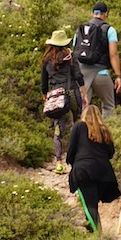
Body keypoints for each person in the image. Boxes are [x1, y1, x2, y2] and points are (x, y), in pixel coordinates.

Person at [66, 104, 121, 232]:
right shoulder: (104, 130)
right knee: (93, 205)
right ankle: (94, 231)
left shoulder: (79, 126)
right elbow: (111, 152)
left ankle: (96, 235)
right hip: (103, 172)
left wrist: (71, 162)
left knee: (89, 205)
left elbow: (71, 150)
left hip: (84, 171)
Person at [41, 30, 85, 173]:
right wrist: (84, 94)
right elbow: (78, 76)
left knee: (58, 128)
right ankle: (78, 158)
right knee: (78, 124)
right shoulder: (71, 57)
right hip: (72, 92)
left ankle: (59, 162)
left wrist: (45, 97)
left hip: (56, 96)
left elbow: (43, 83)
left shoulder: (46, 60)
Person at [73, 3, 121, 119]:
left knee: (84, 107)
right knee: (108, 106)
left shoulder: (80, 29)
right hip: (101, 73)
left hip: (82, 74)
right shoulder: (110, 30)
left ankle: (84, 134)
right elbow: (113, 54)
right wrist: (118, 76)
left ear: (92, 13)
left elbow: (75, 51)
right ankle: (108, 132)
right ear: (106, 14)